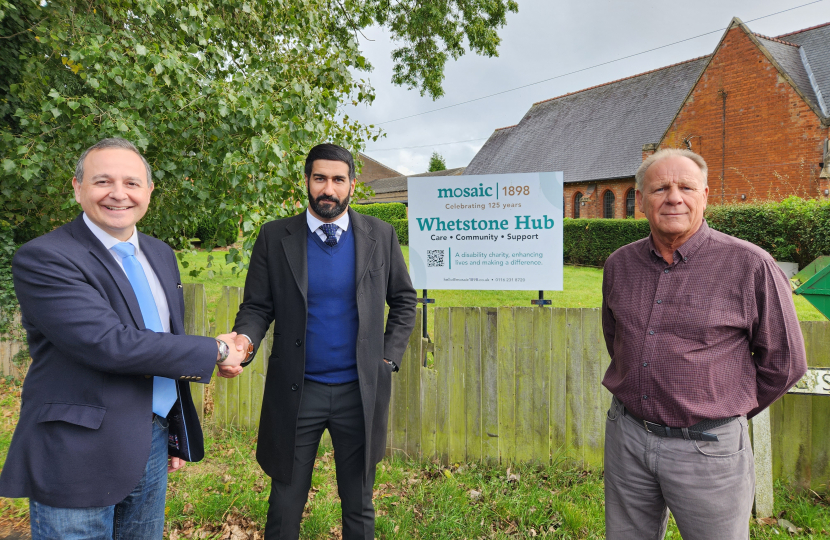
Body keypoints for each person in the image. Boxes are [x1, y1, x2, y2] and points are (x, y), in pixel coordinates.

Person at [0, 137, 246, 539]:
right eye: (102, 181)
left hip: (148, 441)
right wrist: (217, 349)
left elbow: (162, 339)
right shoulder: (45, 257)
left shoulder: (160, 253)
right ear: (77, 188)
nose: (118, 194)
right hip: (75, 452)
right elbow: (110, 344)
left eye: (132, 183)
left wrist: (171, 428)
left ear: (149, 191)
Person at [601, 147, 808, 540]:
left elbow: (785, 364)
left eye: (686, 187)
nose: (674, 197)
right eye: (660, 188)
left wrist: (721, 409)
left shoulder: (750, 265)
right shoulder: (619, 265)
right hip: (627, 439)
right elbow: (618, 341)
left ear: (706, 195)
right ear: (641, 200)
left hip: (708, 448)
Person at [229, 143, 416, 539]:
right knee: (284, 504)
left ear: (351, 185)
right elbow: (258, 307)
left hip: (359, 392)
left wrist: (387, 359)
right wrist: (244, 342)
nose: (327, 188)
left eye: (337, 179)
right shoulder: (275, 236)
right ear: (307, 181)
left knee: (359, 503)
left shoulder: (380, 236)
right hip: (298, 392)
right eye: (319, 178)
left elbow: (403, 301)